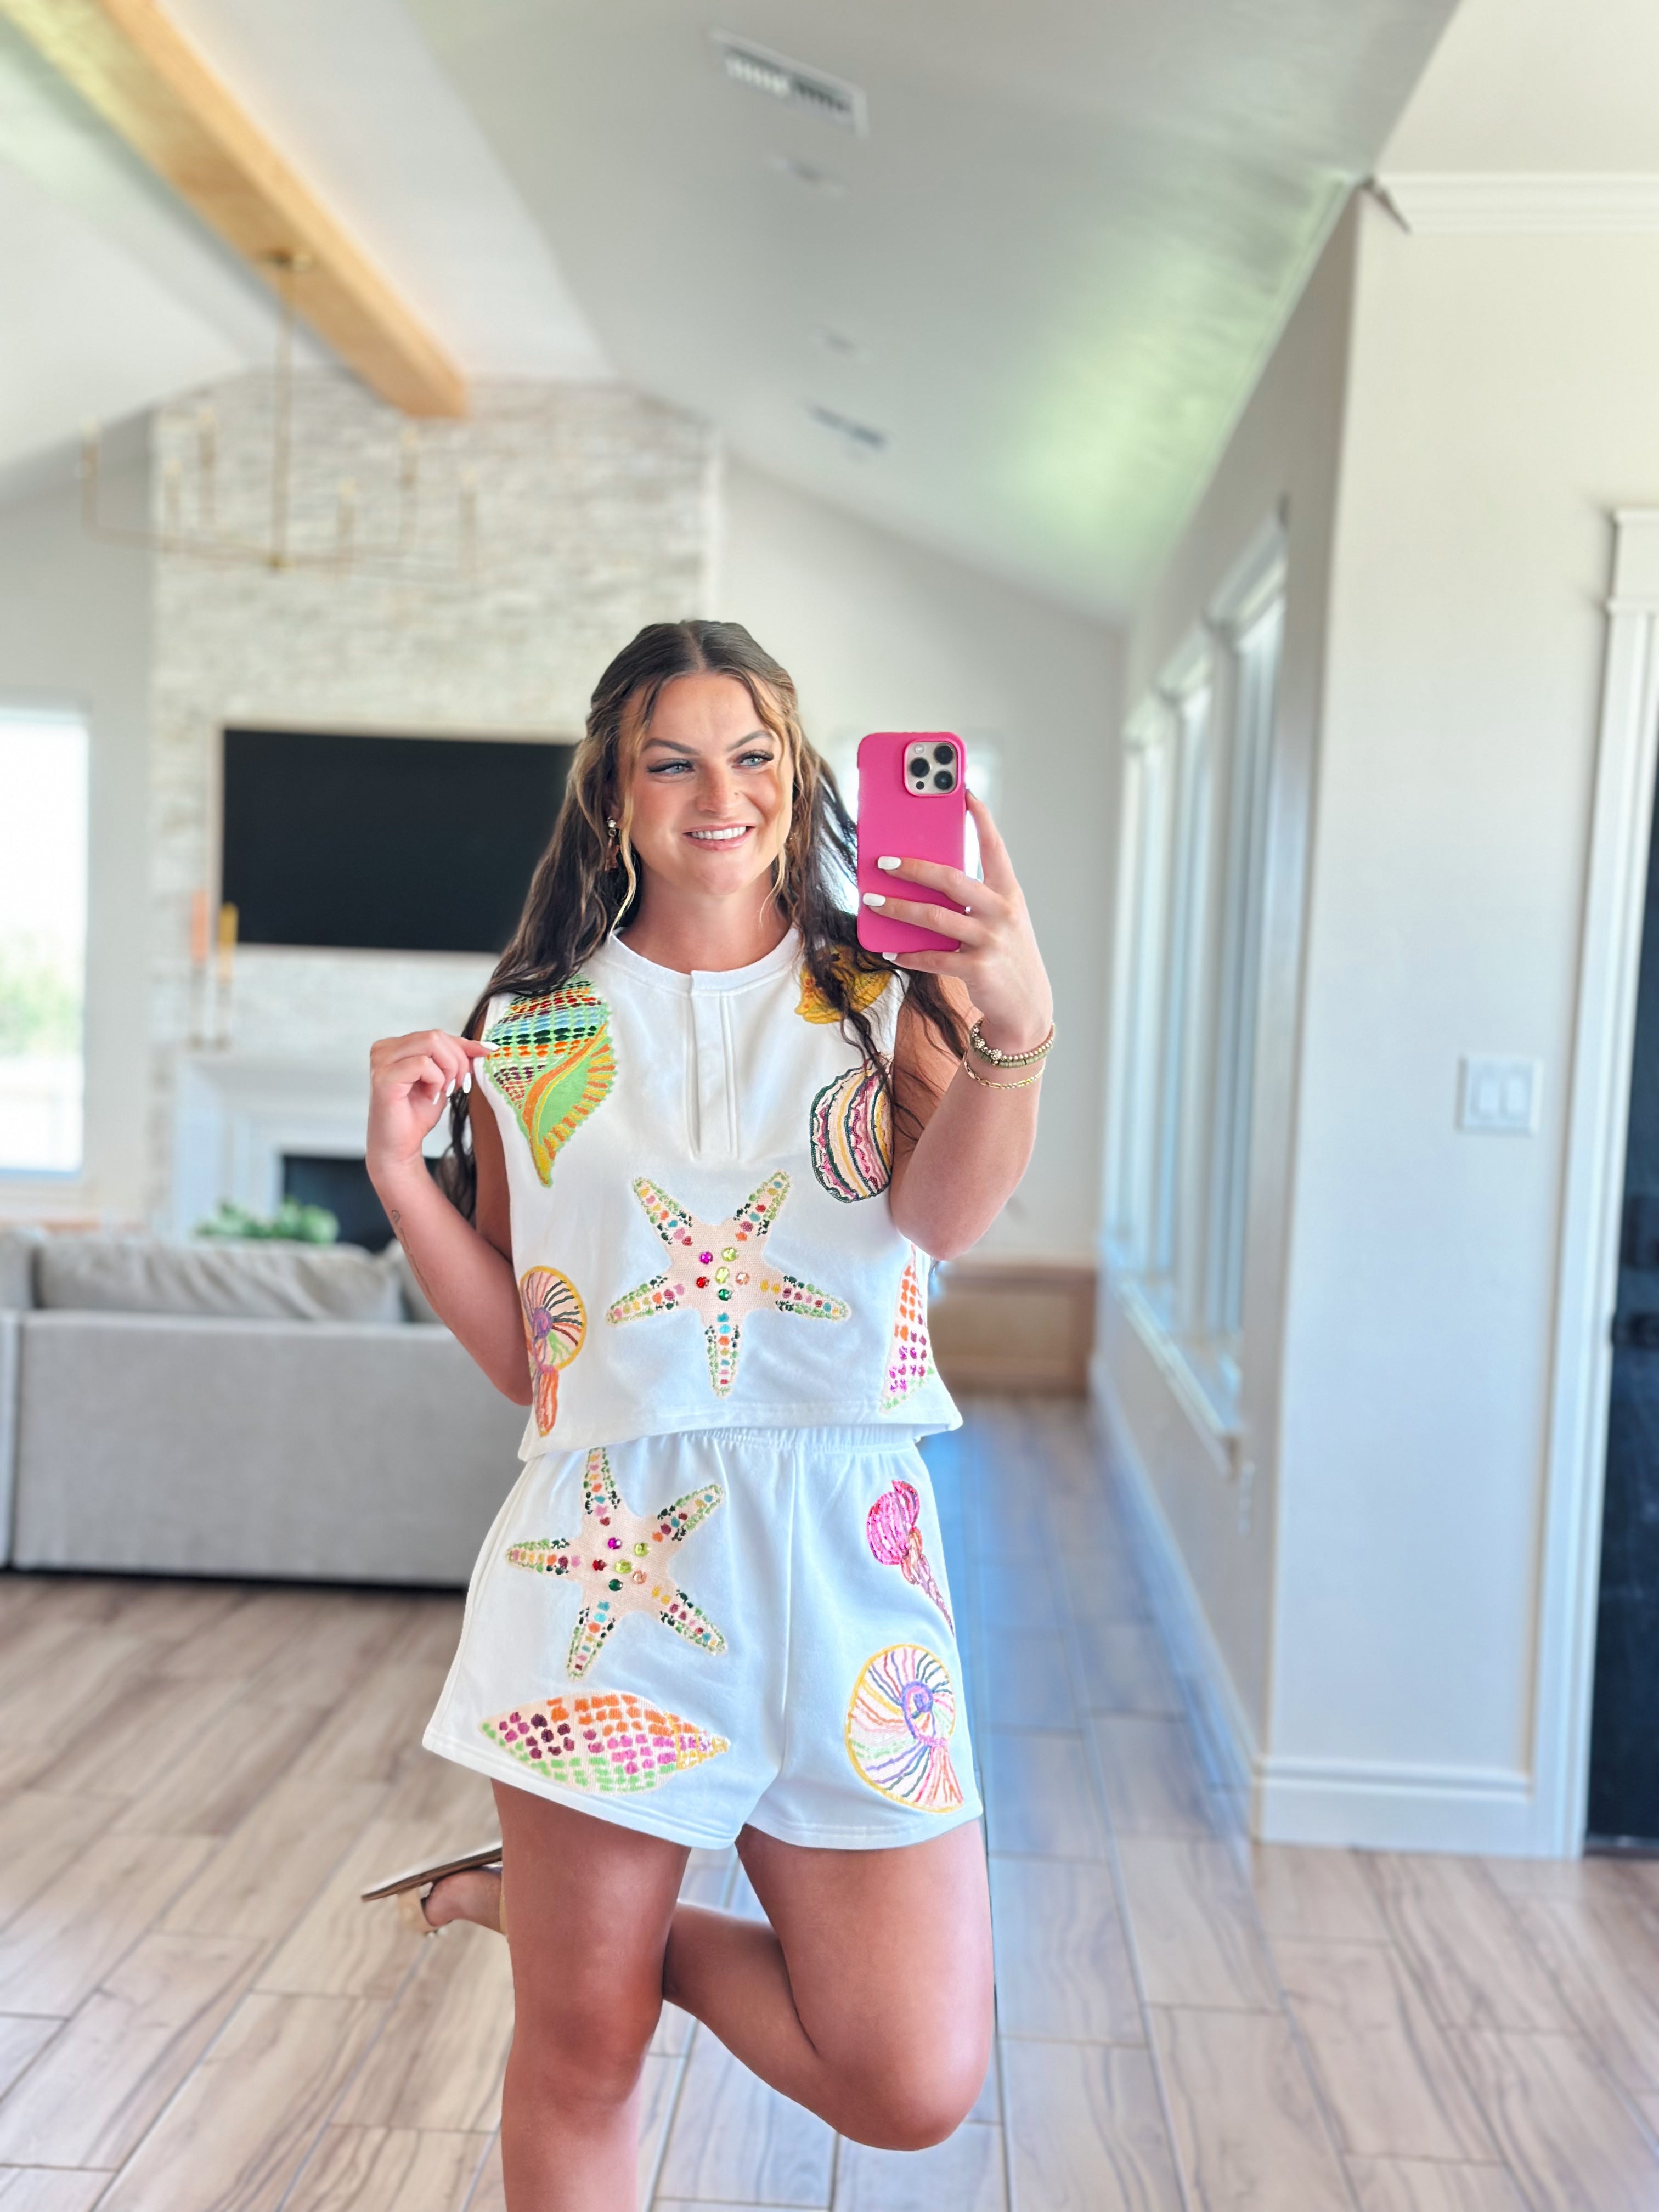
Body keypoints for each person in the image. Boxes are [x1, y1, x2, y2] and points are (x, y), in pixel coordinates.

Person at [362, 621, 1054, 2210]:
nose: (719, 793)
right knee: (580, 2056)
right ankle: (580, 1955)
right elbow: (533, 1357)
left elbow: (942, 1221)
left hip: (854, 1562)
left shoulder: (889, 990)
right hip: (607, 1579)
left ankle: (580, 1929)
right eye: (672, 761)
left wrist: (1011, 1026)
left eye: (751, 756)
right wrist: (402, 1175)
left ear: (798, 777)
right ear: (615, 791)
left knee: (911, 2079)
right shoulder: (536, 1024)